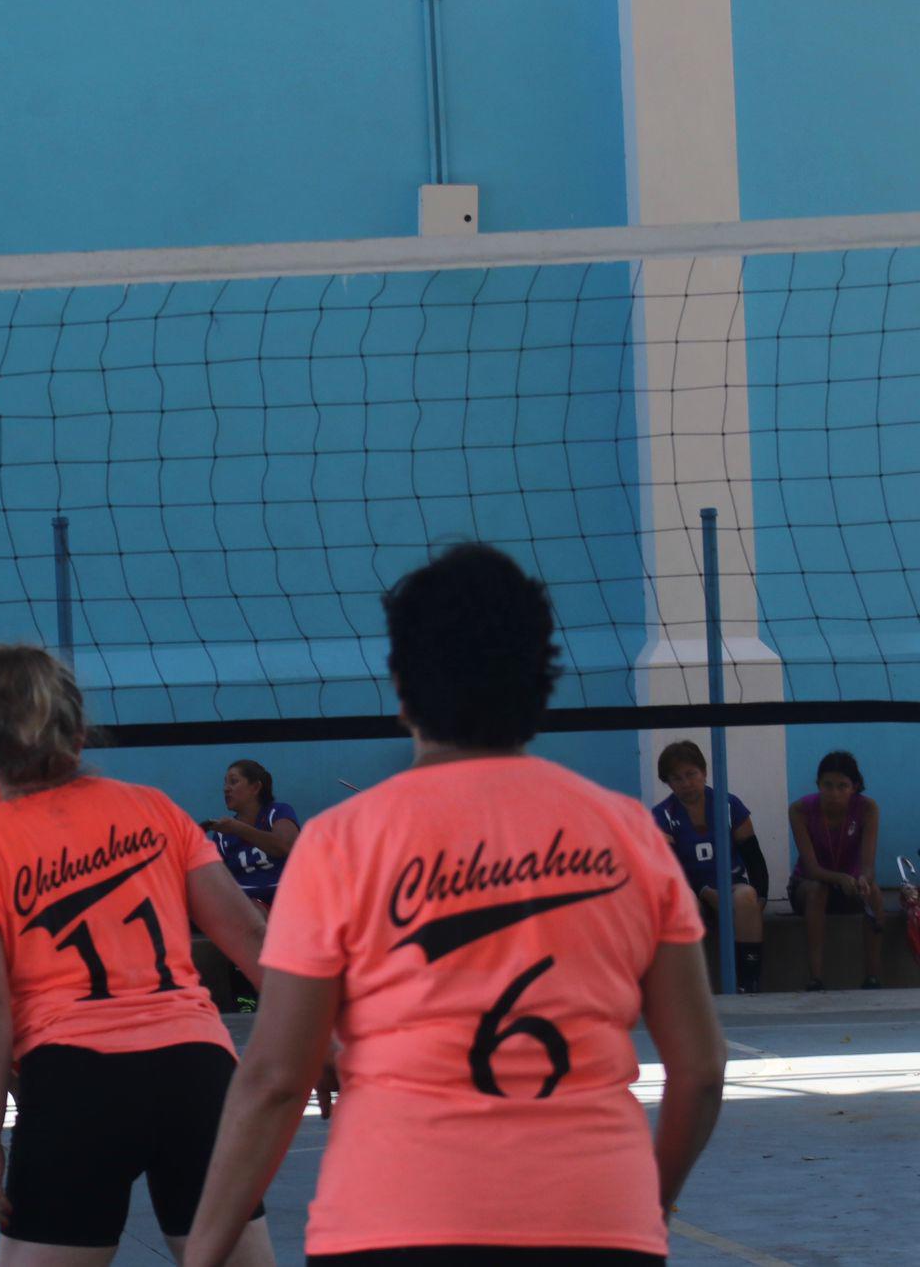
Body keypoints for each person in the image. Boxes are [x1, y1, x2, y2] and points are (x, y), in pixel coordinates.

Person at [185, 543, 727, 1267]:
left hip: (392, 1222)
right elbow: (698, 1069)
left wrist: (204, 1252)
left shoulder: (342, 843)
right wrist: (645, 1202)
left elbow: (280, 1077)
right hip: (597, 1217)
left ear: (403, 689)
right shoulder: (630, 835)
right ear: (541, 685)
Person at [0, 644, 276, 1265]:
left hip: (75, 1085)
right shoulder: (155, 809)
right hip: (196, 1072)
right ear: (81, 730)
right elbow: (251, 938)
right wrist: (325, 1032)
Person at [651, 740, 770, 993]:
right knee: (685, 905)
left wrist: (762, 897)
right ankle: (689, 987)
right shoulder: (662, 816)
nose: (686, 783)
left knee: (747, 898)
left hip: (731, 885)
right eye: (677, 778)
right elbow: (671, 869)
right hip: (691, 888)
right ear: (668, 783)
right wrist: (704, 891)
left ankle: (748, 983)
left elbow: (754, 857)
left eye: (691, 774)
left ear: (704, 772)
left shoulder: (729, 805)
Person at [787, 750, 884, 990]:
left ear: (855, 786)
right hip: (808, 886)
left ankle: (872, 977)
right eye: (827, 785)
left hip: (850, 887)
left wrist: (863, 879)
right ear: (818, 784)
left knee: (875, 893)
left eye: (843, 786)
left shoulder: (868, 809)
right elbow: (811, 869)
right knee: (818, 890)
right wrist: (839, 878)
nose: (834, 793)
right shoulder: (800, 810)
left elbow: (868, 865)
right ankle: (816, 979)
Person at [209, 760, 300, 907]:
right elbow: (217, 881)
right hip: (247, 906)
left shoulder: (277, 812)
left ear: (255, 787)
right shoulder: (221, 834)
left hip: (287, 900)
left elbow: (285, 846)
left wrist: (239, 829)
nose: (226, 789)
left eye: (233, 782)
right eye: (225, 783)